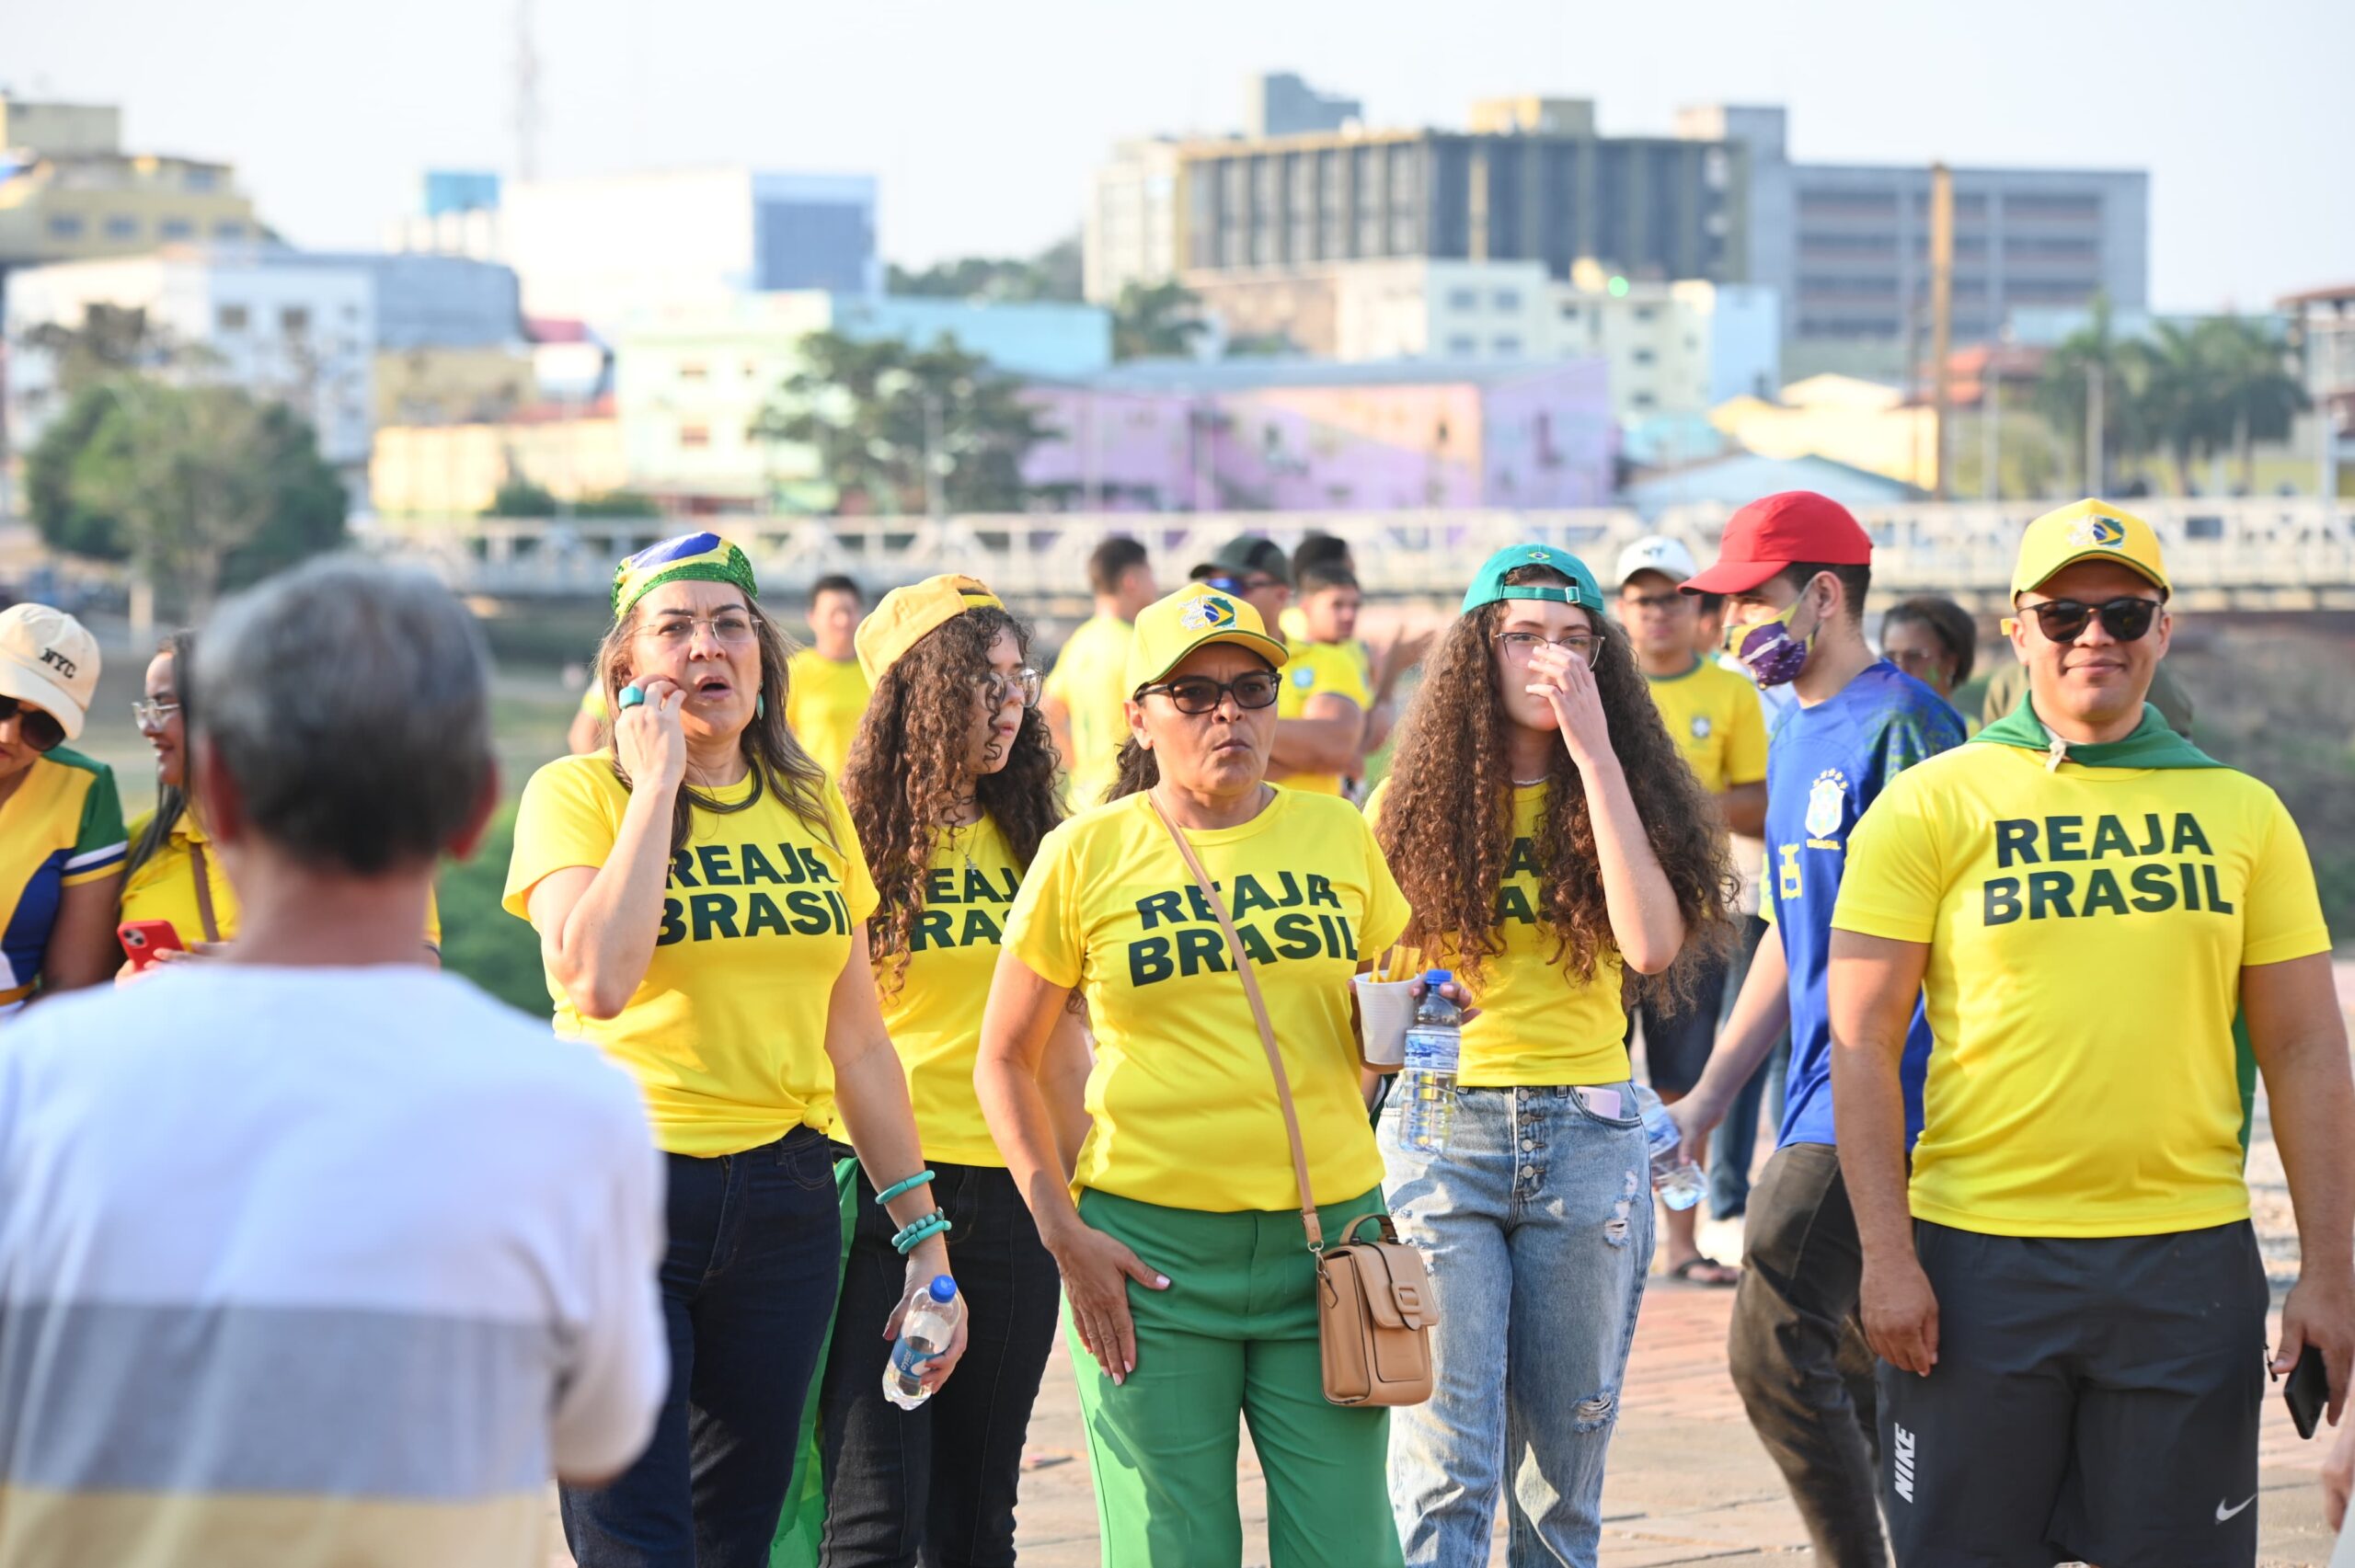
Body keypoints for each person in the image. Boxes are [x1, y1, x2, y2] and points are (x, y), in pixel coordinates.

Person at [0, 559, 668, 1567]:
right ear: (477, 810)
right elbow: (601, 1438)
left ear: (213, 793)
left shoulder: (32, 1085)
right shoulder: (575, 1115)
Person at [1829, 498, 2355, 1565]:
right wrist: (1886, 1256)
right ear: (2017, 630)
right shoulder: (1933, 804)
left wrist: (2333, 1273)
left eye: (2123, 612)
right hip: (1976, 1267)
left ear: (2163, 628)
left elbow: (2305, 1048)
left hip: (2184, 1268)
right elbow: (1862, 1042)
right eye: (2062, 616)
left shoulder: (2243, 813)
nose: (2093, 639)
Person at [504, 532, 964, 1565]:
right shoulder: (577, 795)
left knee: (735, 1537)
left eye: (730, 624)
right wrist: (657, 785)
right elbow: (596, 980)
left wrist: (923, 1239)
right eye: (674, 628)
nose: (706, 646)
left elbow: (859, 1046)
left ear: (763, 656)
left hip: (785, 1203)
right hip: (622, 1194)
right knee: (636, 1536)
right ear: (629, 670)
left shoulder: (809, 810)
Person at [975, 582, 1412, 1568]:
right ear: (1138, 714)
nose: (1229, 713)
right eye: (1194, 693)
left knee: (1348, 1547)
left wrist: (1421, 1013)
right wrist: (1061, 1230)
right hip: (1151, 1260)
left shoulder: (1336, 834)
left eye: (1253, 689)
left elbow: (1383, 1006)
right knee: (1170, 1548)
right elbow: (1003, 1053)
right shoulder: (1084, 853)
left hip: (1328, 1245)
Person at [1368, 544, 1732, 1566]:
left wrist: (1597, 756)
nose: (1549, 660)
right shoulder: (1406, 801)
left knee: (1560, 1477)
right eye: (1522, 637)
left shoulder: (1623, 787)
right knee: (1447, 1466)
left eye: (1575, 641)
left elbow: (1651, 946)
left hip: (1587, 1128)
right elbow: (1368, 986)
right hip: (1443, 1130)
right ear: (1473, 657)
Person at [1666, 492, 1967, 1568]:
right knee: (1850, 1358)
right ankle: (1931, 1540)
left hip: (1881, 1090)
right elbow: (1797, 933)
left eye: (1749, 599)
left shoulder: (1909, 726)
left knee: (1769, 1342)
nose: (1729, 623)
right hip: (1804, 1087)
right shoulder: (1794, 731)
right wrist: (1705, 1095)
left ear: (1824, 595)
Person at [805, 575, 1092, 1567]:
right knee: (876, 1521)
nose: (1011, 700)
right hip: (882, 1203)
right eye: (982, 678)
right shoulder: (840, 839)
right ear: (918, 694)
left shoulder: (1044, 845)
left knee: (976, 1523)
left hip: (1015, 1200)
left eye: (1020, 674)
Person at [1614, 535, 1768, 1286]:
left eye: (1672, 596)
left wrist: (1681, 807)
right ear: (1622, 610)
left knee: (1682, 1079)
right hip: (1597, 916)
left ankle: (1682, 1240)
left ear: (1696, 605)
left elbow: (1760, 800)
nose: (1658, 612)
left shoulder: (1732, 692)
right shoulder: (1601, 690)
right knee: (1596, 1075)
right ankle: (1603, 1235)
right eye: (1643, 599)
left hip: (1696, 916)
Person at [119, 631, 442, 964]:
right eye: (146, 707)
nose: (148, 726)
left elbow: (419, 966)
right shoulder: (137, 844)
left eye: (163, 706)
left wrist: (266, 969)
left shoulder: (351, 827)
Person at [0, 601, 123, 1013]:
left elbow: (73, 983)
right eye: (1, 703)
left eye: (42, 726)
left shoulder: (86, 789)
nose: (7, 733)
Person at [1042, 535, 1156, 807]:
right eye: (1150, 574)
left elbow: (1048, 711)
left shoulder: (1079, 641)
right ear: (1131, 581)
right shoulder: (1137, 645)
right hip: (1125, 798)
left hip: (1082, 799)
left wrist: (1078, 767)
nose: (1156, 584)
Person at [1271, 559, 1374, 797]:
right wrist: (1318, 754)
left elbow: (1352, 747)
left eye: (1355, 606)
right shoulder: (1277, 655)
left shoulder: (1351, 656)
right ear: (1306, 607)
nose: (1349, 615)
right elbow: (1333, 752)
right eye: (1337, 605)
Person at [1982, 636, 2195, 737]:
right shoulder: (2008, 682)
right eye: (2061, 615)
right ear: (2021, 636)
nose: (2092, 636)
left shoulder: (2141, 671)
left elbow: (2176, 737)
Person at [789, 574, 874, 779]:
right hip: (817, 794)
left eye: (849, 611)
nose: (843, 620)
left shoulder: (877, 667)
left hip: (872, 794)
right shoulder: (794, 671)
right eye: (834, 612)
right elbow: (780, 740)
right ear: (812, 618)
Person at [1877, 597, 1977, 707]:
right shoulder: (1869, 722)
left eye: (1914, 657)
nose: (1900, 670)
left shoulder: (1967, 724)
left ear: (1951, 661)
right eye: (1890, 658)